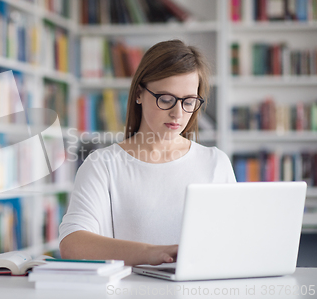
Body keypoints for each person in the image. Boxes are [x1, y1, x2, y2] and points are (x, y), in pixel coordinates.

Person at [59, 39, 236, 266]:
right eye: (165, 99)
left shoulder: (215, 163)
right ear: (139, 94)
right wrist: (153, 253)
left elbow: (232, 241)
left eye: (189, 101)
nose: (178, 113)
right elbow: (72, 244)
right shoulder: (103, 164)